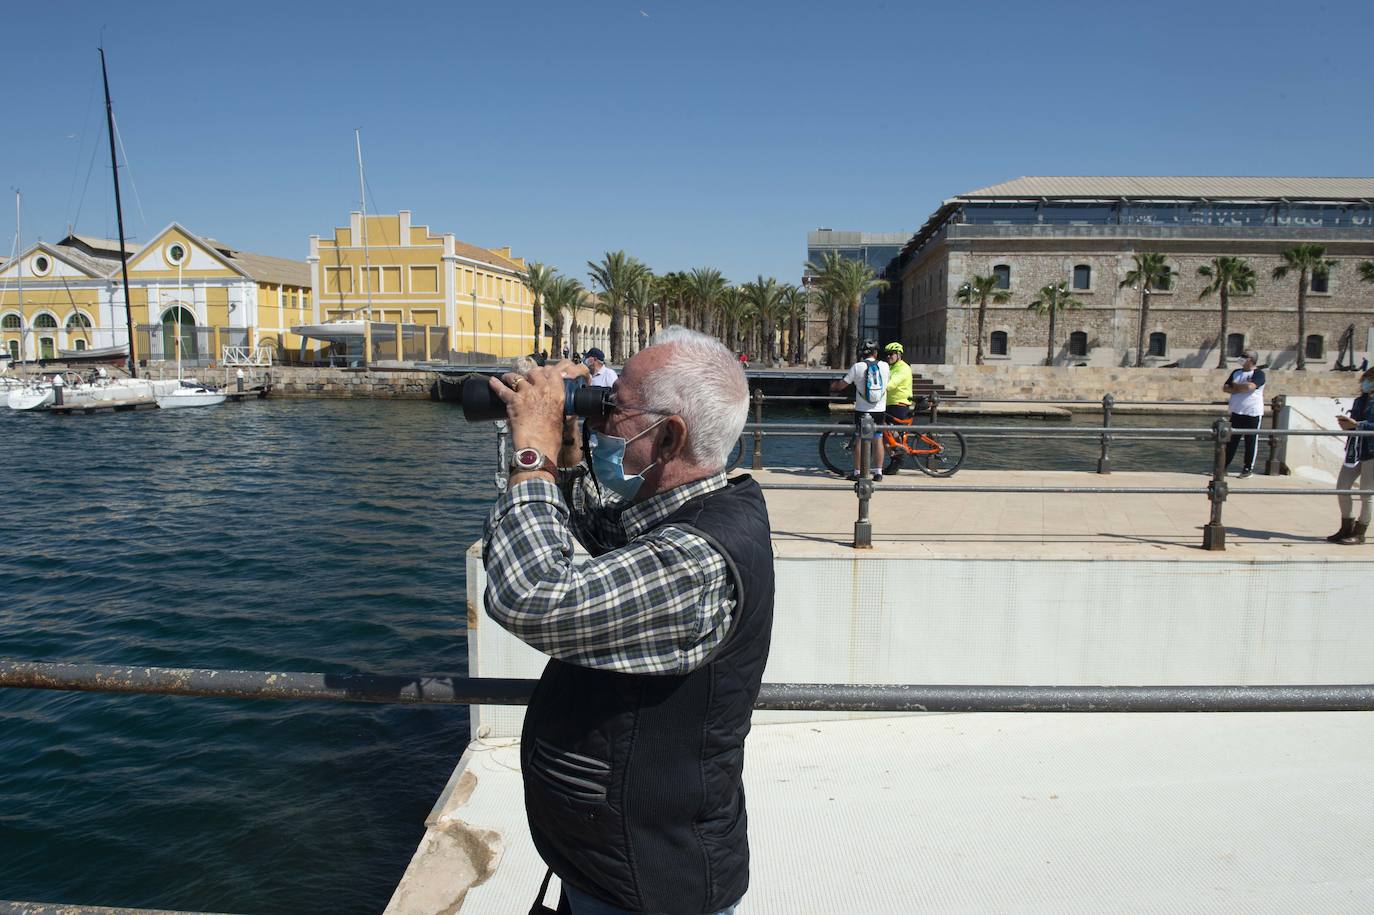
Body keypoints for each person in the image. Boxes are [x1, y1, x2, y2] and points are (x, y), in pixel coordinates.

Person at [482, 326, 773, 915]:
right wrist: (564, 450)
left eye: (612, 409)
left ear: (667, 436)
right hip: (611, 869)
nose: (598, 419)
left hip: (652, 889)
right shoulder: (687, 509)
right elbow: (594, 538)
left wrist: (530, 452)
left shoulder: (699, 558)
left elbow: (533, 592)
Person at [831, 340, 889, 482]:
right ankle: (878, 472)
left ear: (862, 353)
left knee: (859, 440)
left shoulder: (857, 367)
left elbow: (842, 385)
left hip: (862, 410)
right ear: (875, 352)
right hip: (880, 409)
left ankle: (858, 472)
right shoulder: (885, 366)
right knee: (878, 439)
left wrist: (832, 386)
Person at [1329, 367, 1374, 545]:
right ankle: (1345, 527)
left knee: (1366, 494)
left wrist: (1359, 425)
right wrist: (1346, 424)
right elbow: (1353, 422)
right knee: (1342, 487)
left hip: (1372, 450)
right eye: (1364, 379)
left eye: (1368, 379)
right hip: (1355, 450)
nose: (1364, 383)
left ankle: (1360, 532)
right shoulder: (1358, 401)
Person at [1222, 350, 1266, 478]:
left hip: (1252, 413)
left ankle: (1248, 468)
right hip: (1236, 412)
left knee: (1250, 441)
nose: (1241, 358)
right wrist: (1240, 387)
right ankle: (1223, 467)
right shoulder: (1236, 373)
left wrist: (1235, 388)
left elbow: (1250, 387)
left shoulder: (1258, 374)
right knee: (1231, 441)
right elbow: (1225, 388)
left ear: (1251, 360)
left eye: (1244, 356)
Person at [882, 342, 913, 472]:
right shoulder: (892, 367)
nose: (889, 356)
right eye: (887, 354)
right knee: (885, 433)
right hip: (890, 404)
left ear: (899, 355)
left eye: (892, 354)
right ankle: (896, 459)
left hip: (899, 405)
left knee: (884, 431)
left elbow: (891, 384)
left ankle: (898, 458)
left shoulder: (902, 368)